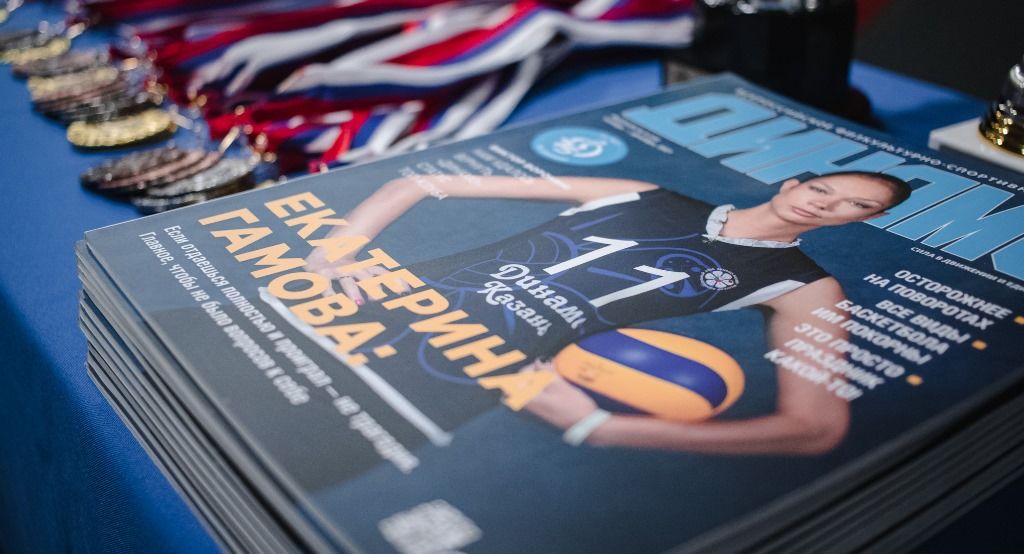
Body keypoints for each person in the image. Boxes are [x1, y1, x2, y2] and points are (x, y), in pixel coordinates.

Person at [305, 170, 911, 455]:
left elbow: (814, 428)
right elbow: (419, 182)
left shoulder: (806, 287)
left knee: (315, 460)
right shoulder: (643, 191)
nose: (826, 205)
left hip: (453, 373)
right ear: (793, 183)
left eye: (855, 205)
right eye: (823, 189)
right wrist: (329, 258)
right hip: (361, 304)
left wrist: (599, 427)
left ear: (867, 220)